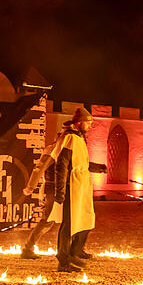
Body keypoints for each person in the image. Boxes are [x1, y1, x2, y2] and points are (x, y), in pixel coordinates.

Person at [48, 107, 106, 271]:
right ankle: (63, 261)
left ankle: (76, 251)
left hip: (81, 185)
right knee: (68, 224)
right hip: (71, 186)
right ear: (80, 122)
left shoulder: (79, 137)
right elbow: (62, 165)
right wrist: (60, 191)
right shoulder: (69, 138)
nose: (89, 126)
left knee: (87, 219)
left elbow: (80, 164)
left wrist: (97, 167)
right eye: (88, 123)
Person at [19, 130, 68, 259]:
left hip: (61, 188)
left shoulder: (65, 150)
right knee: (47, 219)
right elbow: (40, 167)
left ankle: (70, 250)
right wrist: (31, 186)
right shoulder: (53, 150)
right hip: (52, 188)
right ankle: (27, 248)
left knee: (57, 220)